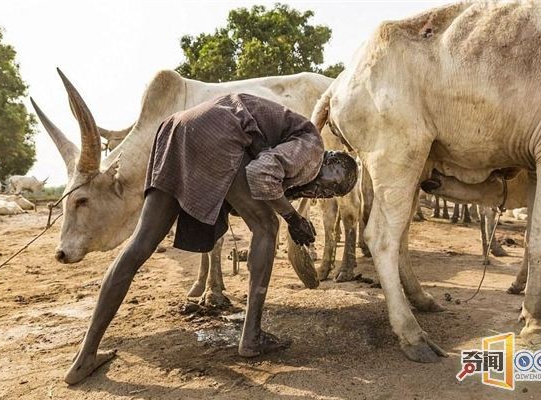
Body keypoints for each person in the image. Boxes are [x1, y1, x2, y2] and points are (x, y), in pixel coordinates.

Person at [64, 93, 357, 384]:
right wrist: (293, 218)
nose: (321, 195)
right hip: (218, 129)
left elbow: (252, 179)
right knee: (267, 226)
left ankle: (84, 358)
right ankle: (252, 337)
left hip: (176, 129)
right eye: (328, 188)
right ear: (330, 162)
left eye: (329, 195)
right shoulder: (312, 147)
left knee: (141, 243)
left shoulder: (296, 151)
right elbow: (260, 172)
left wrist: (287, 210)